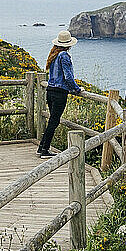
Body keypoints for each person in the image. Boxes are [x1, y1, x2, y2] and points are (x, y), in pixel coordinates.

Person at [37, 30, 83, 158]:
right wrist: (77, 89)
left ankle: (41, 147)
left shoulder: (54, 54)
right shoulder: (64, 56)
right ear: (69, 44)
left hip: (50, 91)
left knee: (52, 120)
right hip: (59, 93)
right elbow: (68, 77)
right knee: (54, 121)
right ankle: (45, 150)